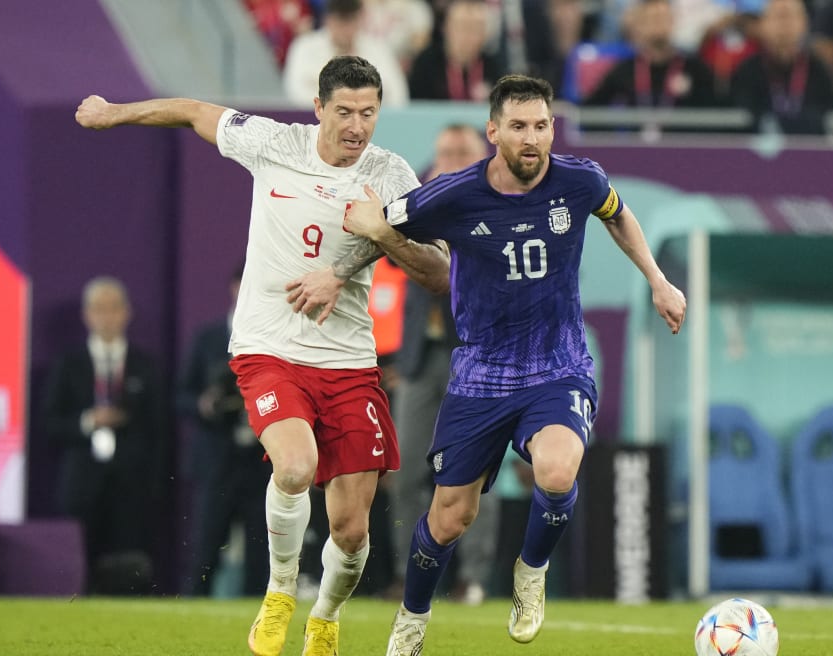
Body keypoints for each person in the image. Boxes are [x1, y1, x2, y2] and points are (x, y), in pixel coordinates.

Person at [286, 74, 686, 654]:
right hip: (480, 376)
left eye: (542, 126)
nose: (533, 138)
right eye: (519, 127)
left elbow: (617, 214)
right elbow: (378, 227)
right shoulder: (453, 194)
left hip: (557, 364)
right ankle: (413, 617)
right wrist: (336, 271)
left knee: (556, 472)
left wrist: (657, 278)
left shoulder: (580, 180)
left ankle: (530, 572)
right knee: (449, 517)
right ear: (493, 131)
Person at [75, 55, 450, 656]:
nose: (357, 127)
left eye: (369, 113)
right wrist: (115, 113)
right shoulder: (275, 143)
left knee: (352, 533)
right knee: (296, 467)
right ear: (319, 108)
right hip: (269, 348)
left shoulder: (391, 174)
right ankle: (279, 594)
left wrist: (381, 235)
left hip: (350, 363)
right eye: (346, 112)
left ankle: (324, 618)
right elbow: (193, 111)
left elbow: (438, 271)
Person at [386, 123, 498, 605]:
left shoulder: (498, 203)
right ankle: (411, 573)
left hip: (474, 355)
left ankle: (472, 578)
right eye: (444, 152)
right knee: (405, 472)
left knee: (474, 472)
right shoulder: (418, 204)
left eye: (461, 152)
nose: (450, 160)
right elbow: (389, 266)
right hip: (419, 357)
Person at [42, 276, 166, 594]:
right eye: (99, 309)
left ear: (127, 313)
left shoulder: (146, 365)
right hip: (82, 479)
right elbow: (49, 423)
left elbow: (159, 428)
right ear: (87, 315)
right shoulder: (68, 365)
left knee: (128, 560)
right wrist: (87, 421)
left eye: (113, 309)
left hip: (131, 481)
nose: (107, 317)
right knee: (80, 557)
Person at [179, 264, 272, 597]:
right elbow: (182, 396)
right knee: (205, 551)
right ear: (233, 288)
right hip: (217, 460)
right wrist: (204, 404)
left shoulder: (275, 338)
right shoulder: (208, 338)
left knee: (261, 554)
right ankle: (189, 620)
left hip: (261, 460)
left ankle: (259, 624)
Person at [583, 0, 718, 109]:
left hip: (685, 141)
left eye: (663, 18)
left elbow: (720, 113)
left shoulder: (695, 68)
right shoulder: (625, 69)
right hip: (637, 142)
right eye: (653, 19)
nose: (659, 25)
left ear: (673, 21)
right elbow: (590, 111)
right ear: (639, 25)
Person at [730, 0, 833, 134]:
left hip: (809, 147)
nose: (785, 25)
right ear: (762, 25)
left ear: (805, 24)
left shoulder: (819, 71)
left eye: (791, 16)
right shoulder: (747, 71)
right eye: (778, 17)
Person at [283, 0, 409, 108]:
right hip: (318, 126)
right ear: (327, 19)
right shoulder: (305, 47)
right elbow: (296, 94)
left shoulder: (377, 49)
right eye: (340, 20)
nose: (345, 28)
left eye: (351, 20)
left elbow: (398, 97)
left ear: (359, 19)